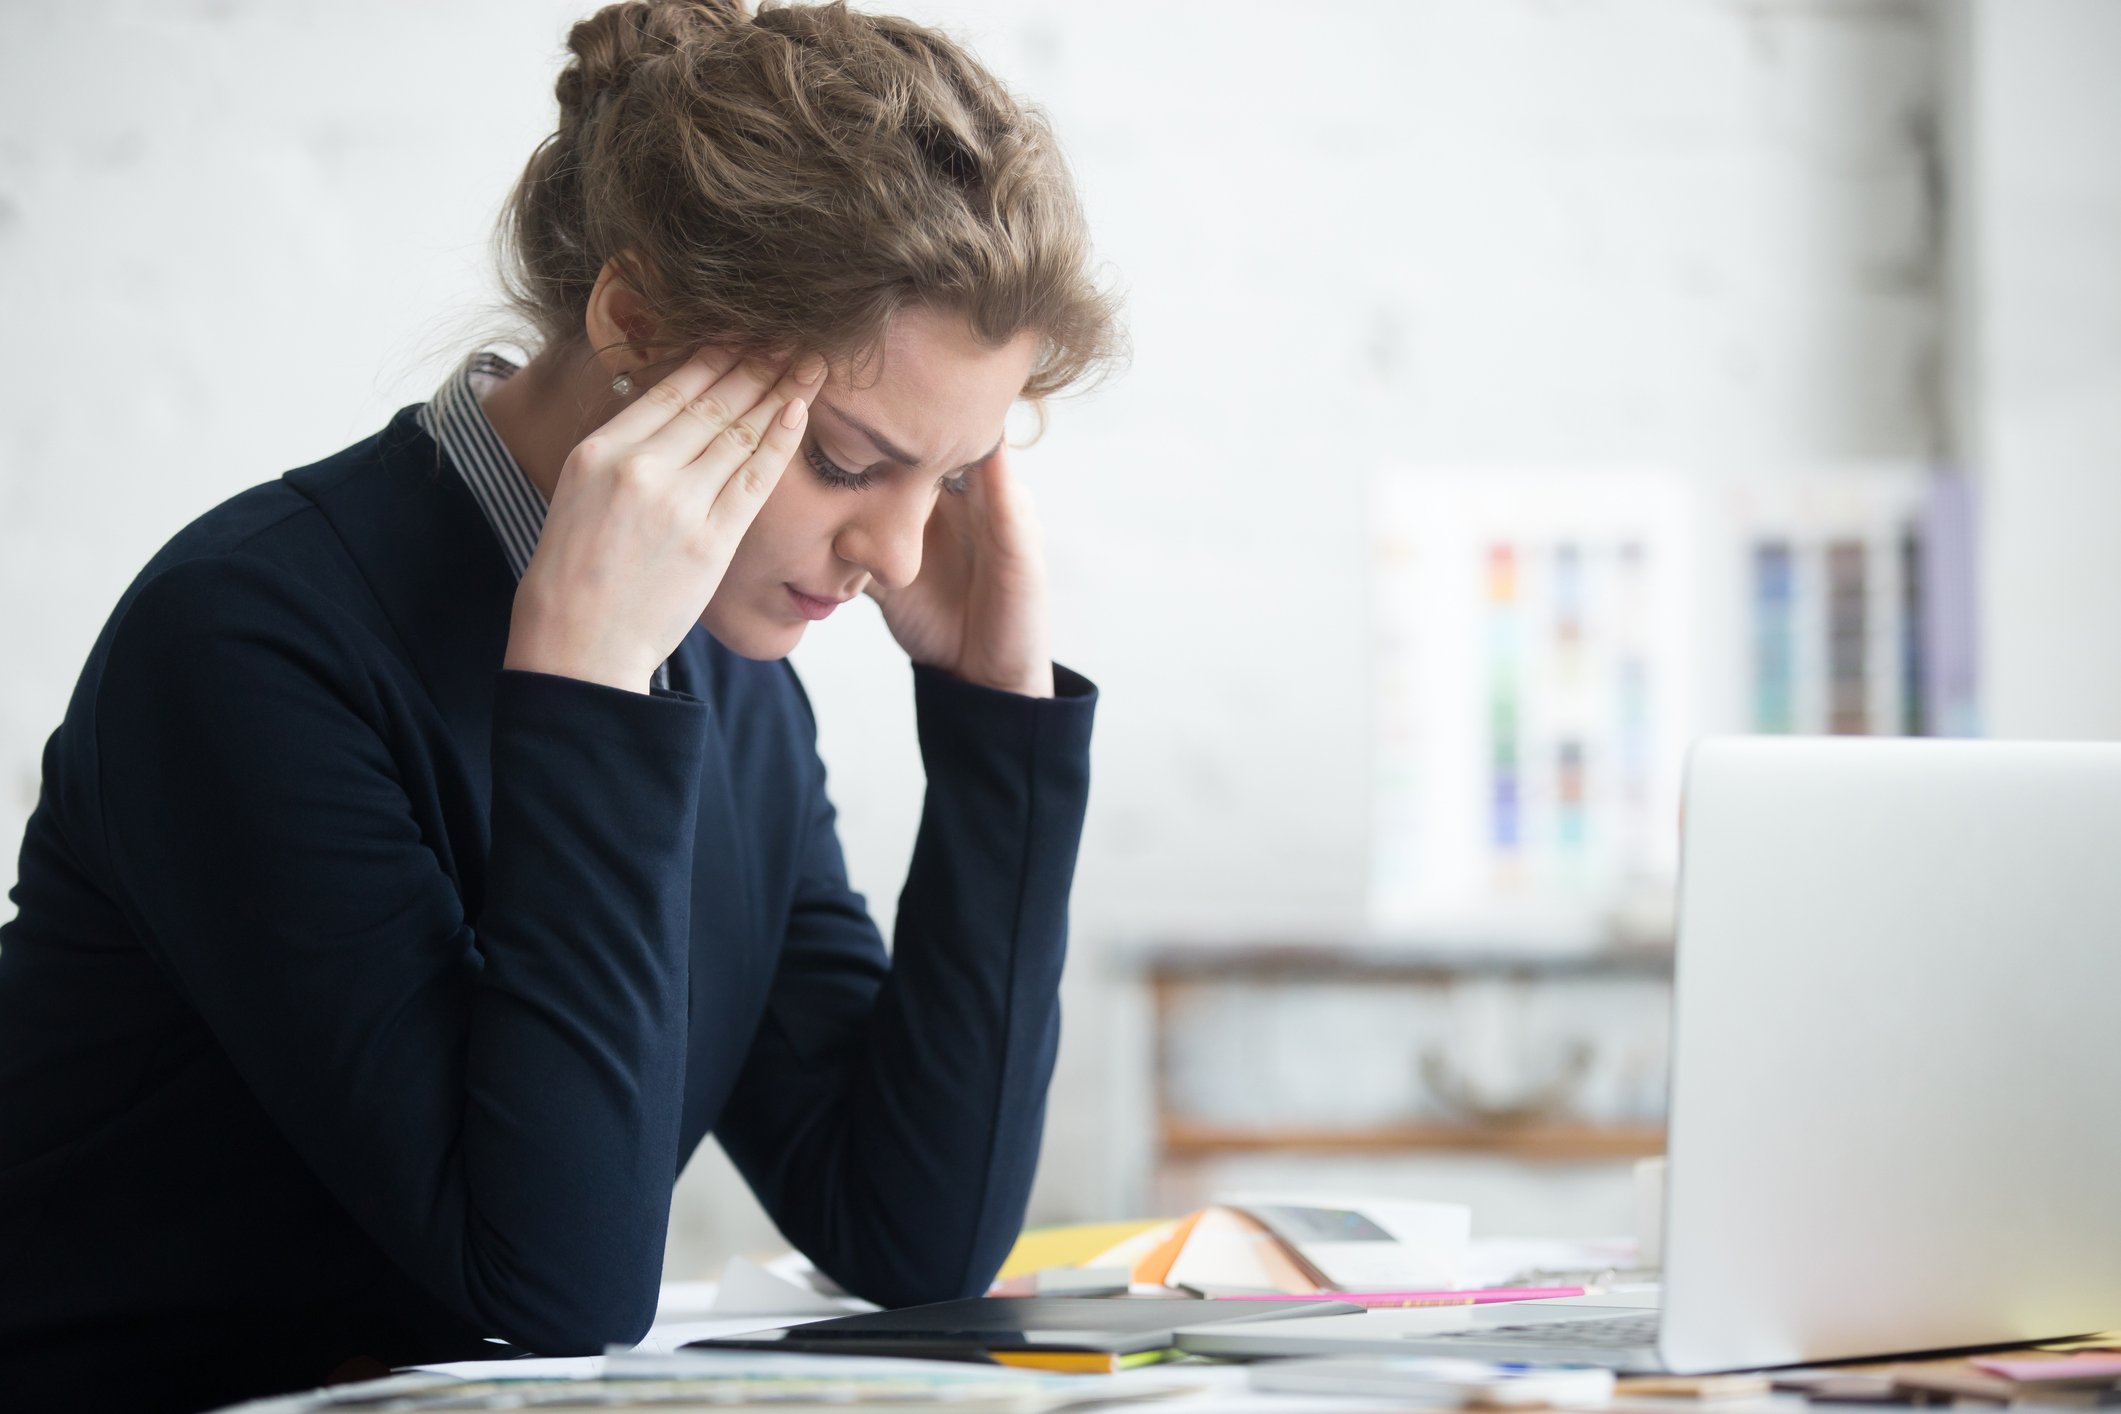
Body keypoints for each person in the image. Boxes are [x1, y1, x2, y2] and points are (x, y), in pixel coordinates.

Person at [0, 2, 1121, 1409]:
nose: (893, 557)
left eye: (945, 481)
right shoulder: (249, 640)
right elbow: (551, 1294)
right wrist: (585, 684)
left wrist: (993, 723)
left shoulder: (721, 665)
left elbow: (915, 1229)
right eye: (847, 461)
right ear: (635, 322)